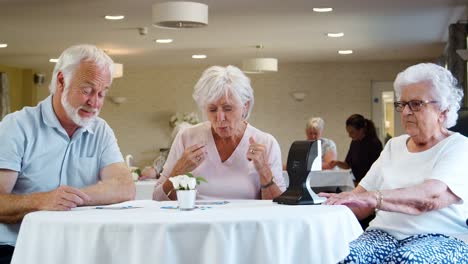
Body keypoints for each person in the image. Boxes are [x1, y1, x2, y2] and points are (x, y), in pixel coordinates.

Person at [0, 44, 135, 263]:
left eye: (102, 93)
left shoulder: (100, 130)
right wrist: (42, 201)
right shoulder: (17, 126)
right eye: (87, 90)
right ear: (61, 81)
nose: (95, 103)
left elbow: (125, 186)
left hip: (77, 249)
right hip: (17, 247)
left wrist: (71, 199)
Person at [320, 63, 468, 262]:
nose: (406, 112)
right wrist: (321, 209)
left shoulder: (459, 146)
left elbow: (430, 197)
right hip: (383, 234)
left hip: (440, 235)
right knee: (341, 254)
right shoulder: (393, 146)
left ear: (443, 110)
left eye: (416, 104)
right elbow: (360, 201)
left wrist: (375, 198)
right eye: (402, 104)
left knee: (406, 259)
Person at [153, 65, 286, 200]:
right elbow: (158, 198)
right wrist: (179, 171)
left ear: (245, 106)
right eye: (212, 109)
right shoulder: (187, 137)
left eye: (228, 108)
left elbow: (279, 208)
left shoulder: (266, 143)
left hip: (245, 221)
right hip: (197, 220)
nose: (220, 117)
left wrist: (264, 171)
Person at [330, 114, 383, 185]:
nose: (349, 135)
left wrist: (360, 184)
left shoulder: (374, 143)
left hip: (370, 184)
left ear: (361, 130)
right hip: (357, 182)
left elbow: (376, 171)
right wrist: (336, 163)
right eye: (348, 132)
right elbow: (347, 165)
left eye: (352, 132)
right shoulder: (354, 142)